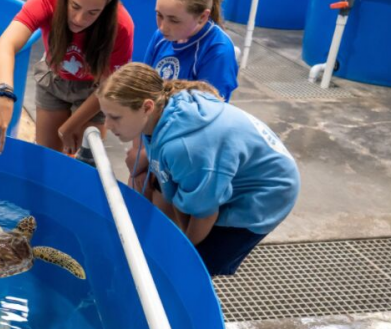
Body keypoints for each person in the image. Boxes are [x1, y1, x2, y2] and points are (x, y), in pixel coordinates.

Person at [98, 63, 300, 276]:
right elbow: (175, 192)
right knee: (177, 225)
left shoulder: (185, 148)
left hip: (267, 193)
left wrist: (185, 249)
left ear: (147, 107)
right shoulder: (164, 109)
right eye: (105, 116)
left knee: (196, 265)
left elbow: (204, 214)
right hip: (227, 167)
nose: (108, 125)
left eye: (116, 117)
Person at [0, 0, 134, 155]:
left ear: (106, 8)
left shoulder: (121, 26)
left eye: (93, 13)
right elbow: (5, 45)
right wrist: (4, 94)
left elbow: (109, 86)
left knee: (84, 158)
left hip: (96, 90)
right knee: (47, 155)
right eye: (75, 6)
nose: (79, 19)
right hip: (54, 79)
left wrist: (70, 125)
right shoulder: (46, 0)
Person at [128, 0, 240, 206]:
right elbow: (143, 89)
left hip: (186, 151)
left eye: (173, 20)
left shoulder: (217, 51)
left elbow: (206, 121)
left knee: (165, 215)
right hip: (154, 141)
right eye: (159, 15)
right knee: (137, 202)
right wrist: (138, 148)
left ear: (202, 17)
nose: (162, 26)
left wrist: (151, 156)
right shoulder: (162, 37)